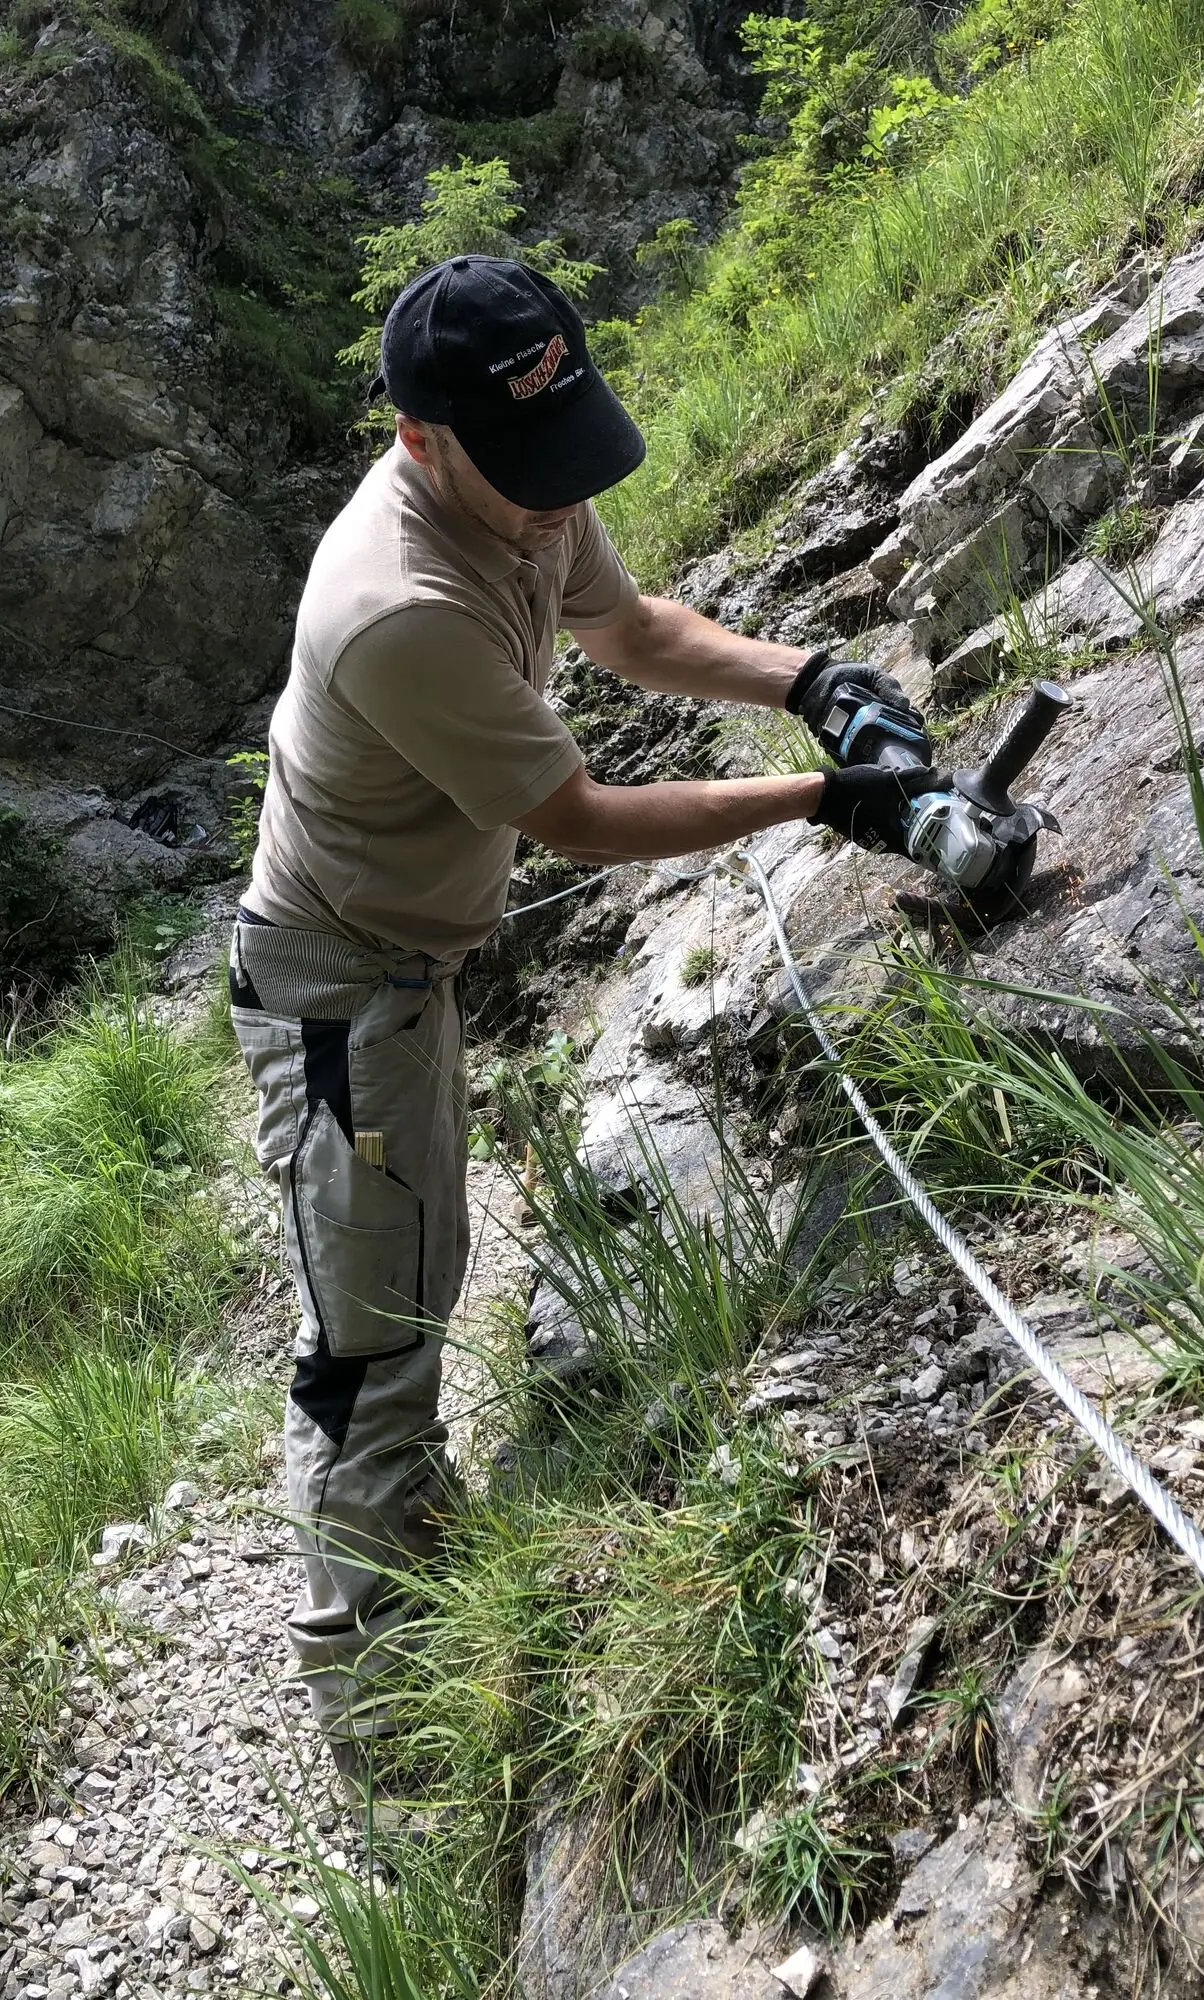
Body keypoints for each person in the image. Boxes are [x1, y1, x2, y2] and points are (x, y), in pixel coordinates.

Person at [229, 254, 937, 1778]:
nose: (561, 501)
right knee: (370, 1340)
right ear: (423, 438)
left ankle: (417, 1593)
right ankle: (393, 1732)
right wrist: (831, 798)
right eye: (532, 474)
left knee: (421, 1266)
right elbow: (587, 819)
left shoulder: (520, 476)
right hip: (342, 986)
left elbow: (633, 629)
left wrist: (815, 680)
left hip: (405, 961)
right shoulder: (397, 604)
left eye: (568, 460)